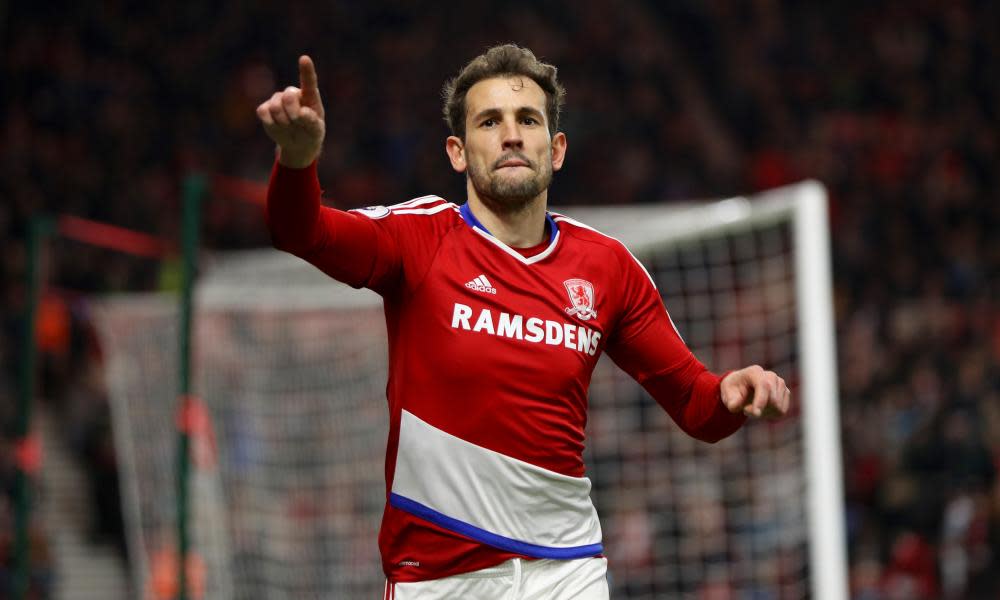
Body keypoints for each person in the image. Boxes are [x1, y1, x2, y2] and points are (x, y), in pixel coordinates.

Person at [256, 44, 790, 600]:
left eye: (527, 120)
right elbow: (303, 232)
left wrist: (731, 392)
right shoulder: (419, 239)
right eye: (490, 121)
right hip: (437, 581)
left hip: (566, 571)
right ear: (458, 152)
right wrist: (297, 162)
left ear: (555, 149)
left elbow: (695, 405)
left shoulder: (607, 268)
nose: (511, 135)